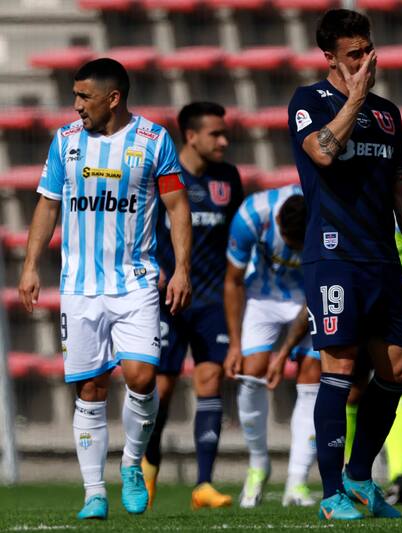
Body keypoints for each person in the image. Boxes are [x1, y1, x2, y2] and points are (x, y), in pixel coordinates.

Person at [18, 58, 192, 520]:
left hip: (135, 282)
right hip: (79, 287)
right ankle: (94, 491)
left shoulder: (154, 140)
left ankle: (132, 465)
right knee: (90, 388)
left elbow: (177, 208)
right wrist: (31, 264)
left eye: (83, 97)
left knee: (140, 376)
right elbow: (47, 205)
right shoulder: (66, 142)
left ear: (113, 98)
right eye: (75, 96)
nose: (76, 106)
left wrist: (182, 270)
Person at [287, 8, 402, 521]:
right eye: (355, 54)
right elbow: (323, 154)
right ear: (329, 57)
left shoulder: (388, 114)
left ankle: (358, 476)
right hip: (333, 257)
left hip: (381, 260)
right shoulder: (309, 102)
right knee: (341, 367)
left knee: (396, 368)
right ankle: (331, 495)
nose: (366, 61)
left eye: (368, 50)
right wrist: (353, 98)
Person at [142, 102, 243, 510]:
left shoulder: (228, 178)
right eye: (215, 134)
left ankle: (203, 483)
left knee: (210, 381)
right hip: (165, 301)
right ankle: (146, 476)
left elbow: (236, 240)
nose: (224, 140)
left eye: (225, 133)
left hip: (211, 299)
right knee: (159, 390)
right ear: (191, 136)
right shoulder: (163, 176)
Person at [343, 182, 402, 505]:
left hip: (395, 295)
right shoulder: (344, 181)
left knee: (396, 381)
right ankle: (350, 474)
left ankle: (398, 474)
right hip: (355, 293)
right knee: (350, 387)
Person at [222, 187, 318, 509]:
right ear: (277, 221)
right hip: (262, 298)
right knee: (251, 374)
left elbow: (318, 291)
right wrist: (235, 344)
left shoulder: (324, 221)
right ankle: (258, 464)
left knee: (313, 377)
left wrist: (285, 352)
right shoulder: (251, 216)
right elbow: (233, 281)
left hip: (307, 300)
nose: (293, 252)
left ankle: (297, 481)